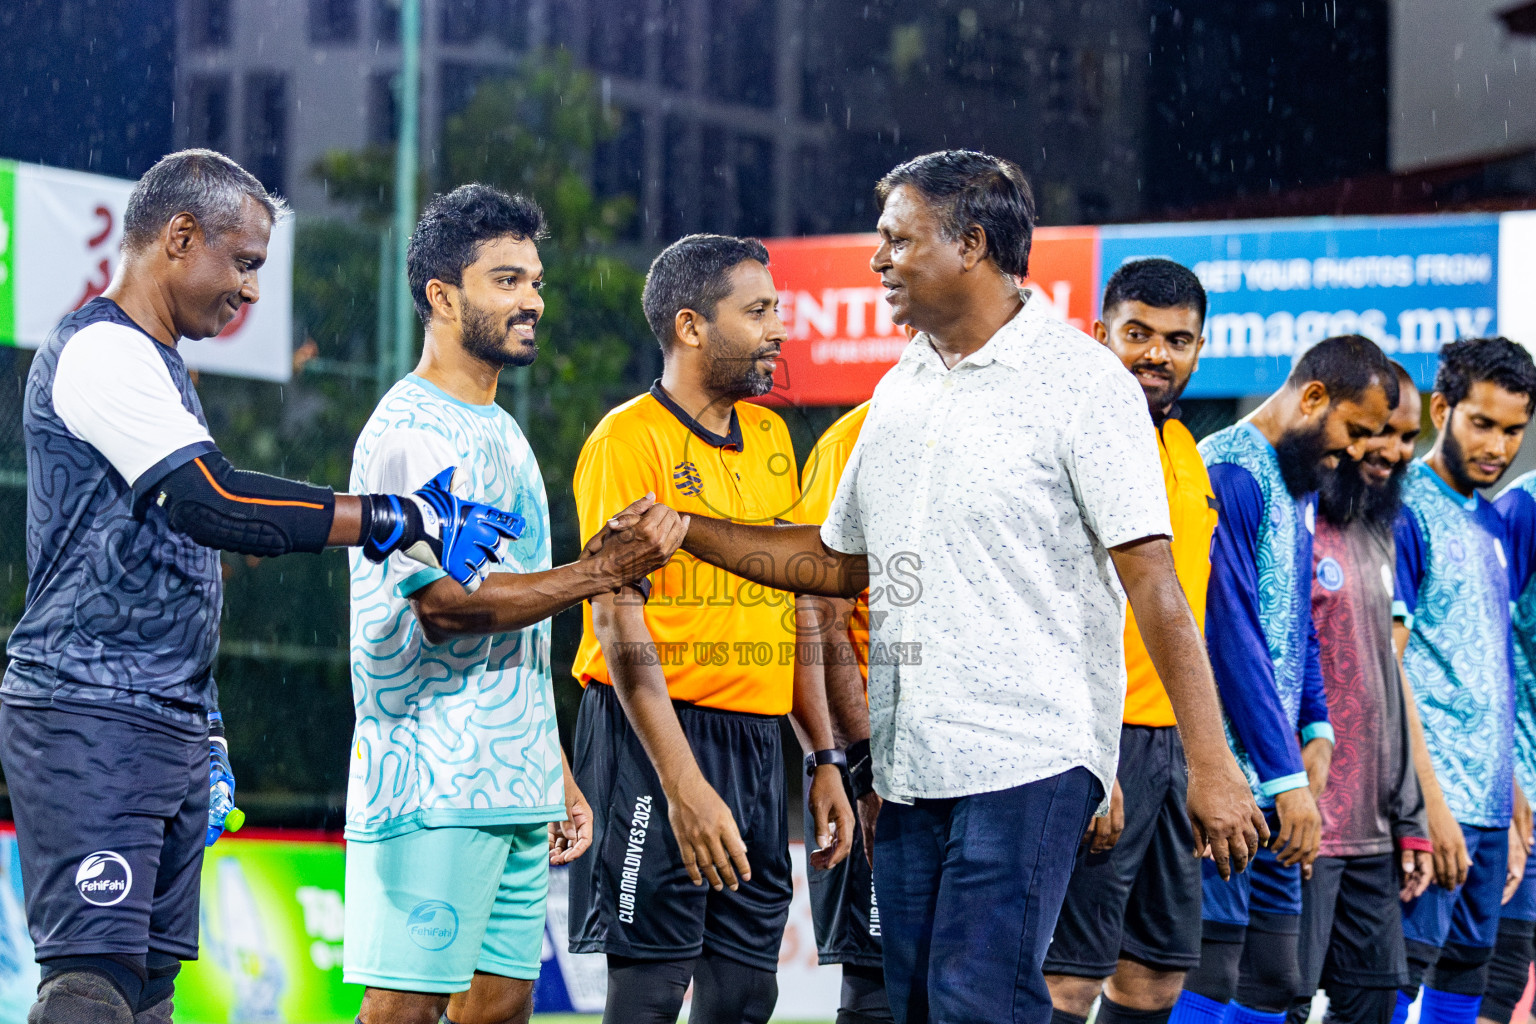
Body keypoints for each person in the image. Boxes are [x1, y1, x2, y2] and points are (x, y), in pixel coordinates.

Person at [601, 150, 1266, 1024]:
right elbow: (838, 562)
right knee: (912, 1007)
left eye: (896, 240)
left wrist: (1212, 766)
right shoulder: (904, 383)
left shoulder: (1084, 382)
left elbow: (1157, 589)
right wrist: (688, 532)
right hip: (912, 771)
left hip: (1029, 757)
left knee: (976, 1004)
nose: (878, 260)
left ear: (972, 247)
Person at [1, 150, 520, 1024]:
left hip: (159, 719)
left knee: (144, 990)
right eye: (242, 263)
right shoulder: (100, 350)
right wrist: (392, 515)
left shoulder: (160, 367)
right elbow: (218, 504)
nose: (248, 291)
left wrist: (200, 723)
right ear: (178, 236)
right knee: (90, 984)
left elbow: (176, 559)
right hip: (87, 712)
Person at [342, 184, 685, 1024]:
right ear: (442, 297)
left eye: (534, 280)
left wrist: (553, 769)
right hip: (429, 778)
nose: (532, 300)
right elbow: (448, 608)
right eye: (506, 281)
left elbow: (517, 642)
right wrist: (601, 570)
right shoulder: (410, 430)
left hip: (509, 779)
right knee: (405, 1010)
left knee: (501, 1006)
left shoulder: (501, 428)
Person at [566, 233, 854, 1024]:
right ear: (692, 327)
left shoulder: (770, 439)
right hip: (655, 737)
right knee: (652, 990)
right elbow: (619, 630)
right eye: (758, 311)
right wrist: (683, 786)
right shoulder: (626, 441)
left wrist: (822, 755)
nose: (779, 330)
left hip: (758, 742)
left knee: (744, 991)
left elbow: (797, 601)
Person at [1170, 334, 1400, 1024]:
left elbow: (1295, 626)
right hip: (1228, 781)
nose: (1359, 452)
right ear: (1312, 396)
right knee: (1210, 972)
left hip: (1276, 780)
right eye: (1355, 430)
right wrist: (1286, 778)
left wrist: (1319, 727)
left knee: (1274, 976)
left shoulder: (1295, 483)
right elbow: (1229, 635)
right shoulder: (1230, 472)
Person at [1044, 258, 1218, 1024]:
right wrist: (1088, 751)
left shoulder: (1185, 450)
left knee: (1154, 980)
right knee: (1067, 980)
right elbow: (1046, 607)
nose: (1157, 354)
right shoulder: (1071, 436)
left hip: (1173, 747)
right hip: (1098, 738)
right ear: (1098, 335)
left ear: (1199, 349)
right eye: (1138, 333)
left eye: (1177, 339)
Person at [1279, 361, 1432, 1024]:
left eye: (1404, 437)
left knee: (1372, 1006)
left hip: (1373, 832)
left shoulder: (1380, 528)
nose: (1392, 451)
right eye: (1378, 433)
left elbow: (1386, 688)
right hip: (1303, 824)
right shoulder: (1294, 514)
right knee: (1277, 1000)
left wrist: (1413, 819)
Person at [1393, 337, 1536, 1024]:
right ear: (1441, 408)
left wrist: (1510, 799)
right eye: (1482, 423)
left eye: (1513, 430)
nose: (1497, 446)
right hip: (1428, 813)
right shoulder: (1405, 509)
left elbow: (1491, 669)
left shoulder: (1495, 523)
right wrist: (1427, 809)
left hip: (1488, 815)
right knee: (1384, 988)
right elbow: (1387, 672)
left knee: (1469, 989)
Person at [795, 400, 889, 1024]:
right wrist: (858, 764)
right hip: (879, 760)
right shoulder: (855, 438)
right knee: (878, 982)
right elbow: (818, 608)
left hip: (983, 763)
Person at [1488, 463, 1536, 1024]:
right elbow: (1482, 643)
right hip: (1518, 791)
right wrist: (1511, 783)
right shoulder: (1524, 510)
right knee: (1498, 981)